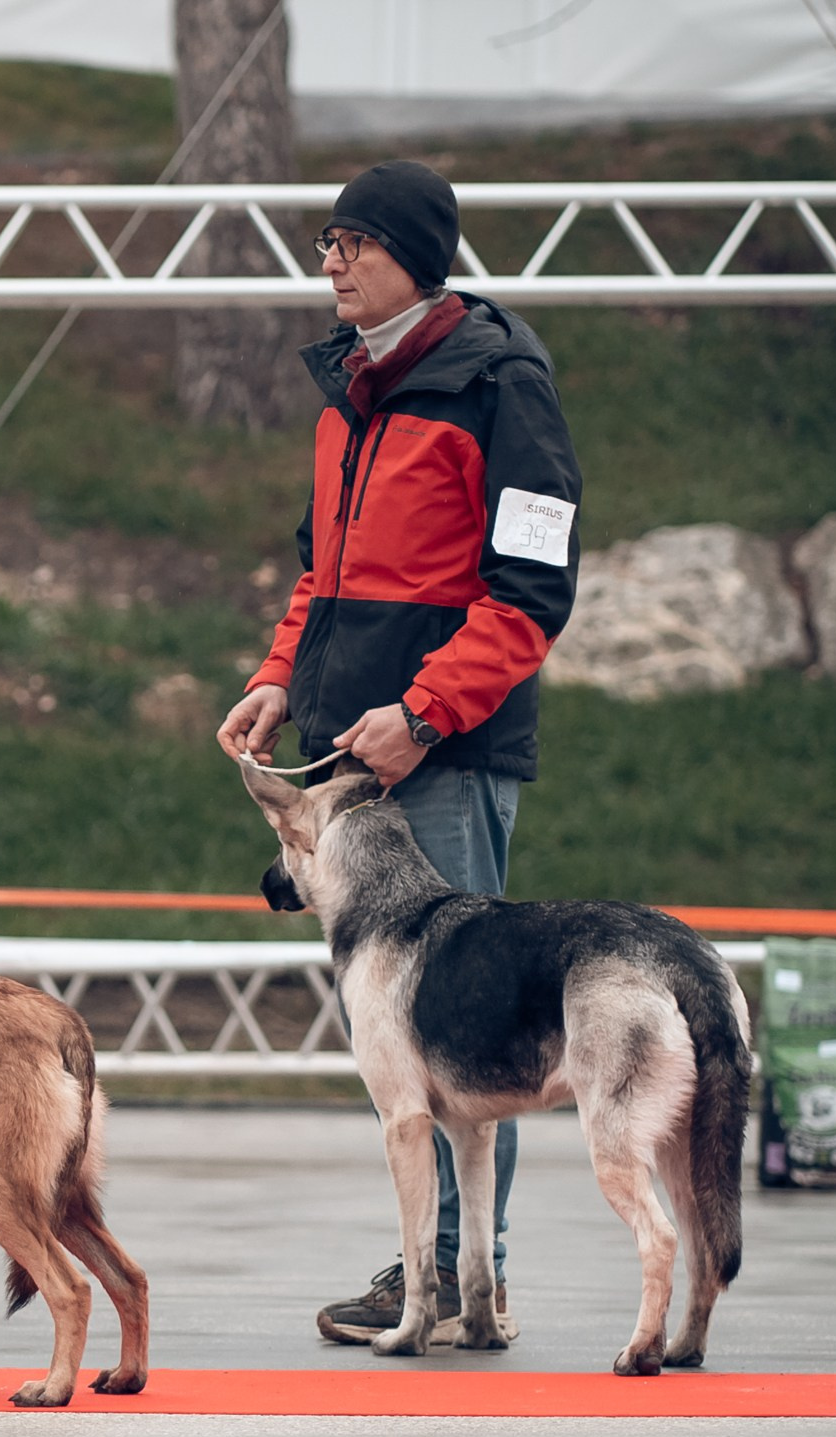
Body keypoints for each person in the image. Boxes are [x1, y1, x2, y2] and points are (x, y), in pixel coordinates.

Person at [215, 161, 583, 1344]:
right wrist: (281, 672)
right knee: (389, 1029)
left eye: (354, 242)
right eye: (325, 240)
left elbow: (530, 593)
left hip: (446, 754)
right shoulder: (348, 393)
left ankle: (460, 1273)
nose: (330, 260)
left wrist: (423, 715)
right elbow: (321, 574)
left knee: (461, 1021)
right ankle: (434, 1270)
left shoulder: (501, 384)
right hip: (343, 753)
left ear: (416, 256)